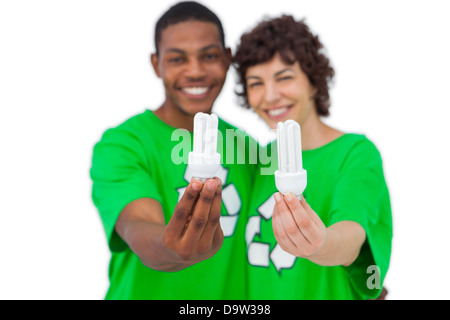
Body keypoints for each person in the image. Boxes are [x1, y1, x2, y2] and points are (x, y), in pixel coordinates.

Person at [90, 1, 256, 299]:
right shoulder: (124, 144)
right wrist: (169, 248)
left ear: (227, 58)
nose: (195, 71)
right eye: (178, 59)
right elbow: (138, 226)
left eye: (208, 56)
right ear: (157, 64)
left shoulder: (248, 148)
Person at [233, 15, 393, 299]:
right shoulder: (258, 160)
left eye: (284, 78)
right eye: (256, 83)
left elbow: (351, 236)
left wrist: (321, 245)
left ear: (313, 82)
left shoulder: (354, 154)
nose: (270, 96)